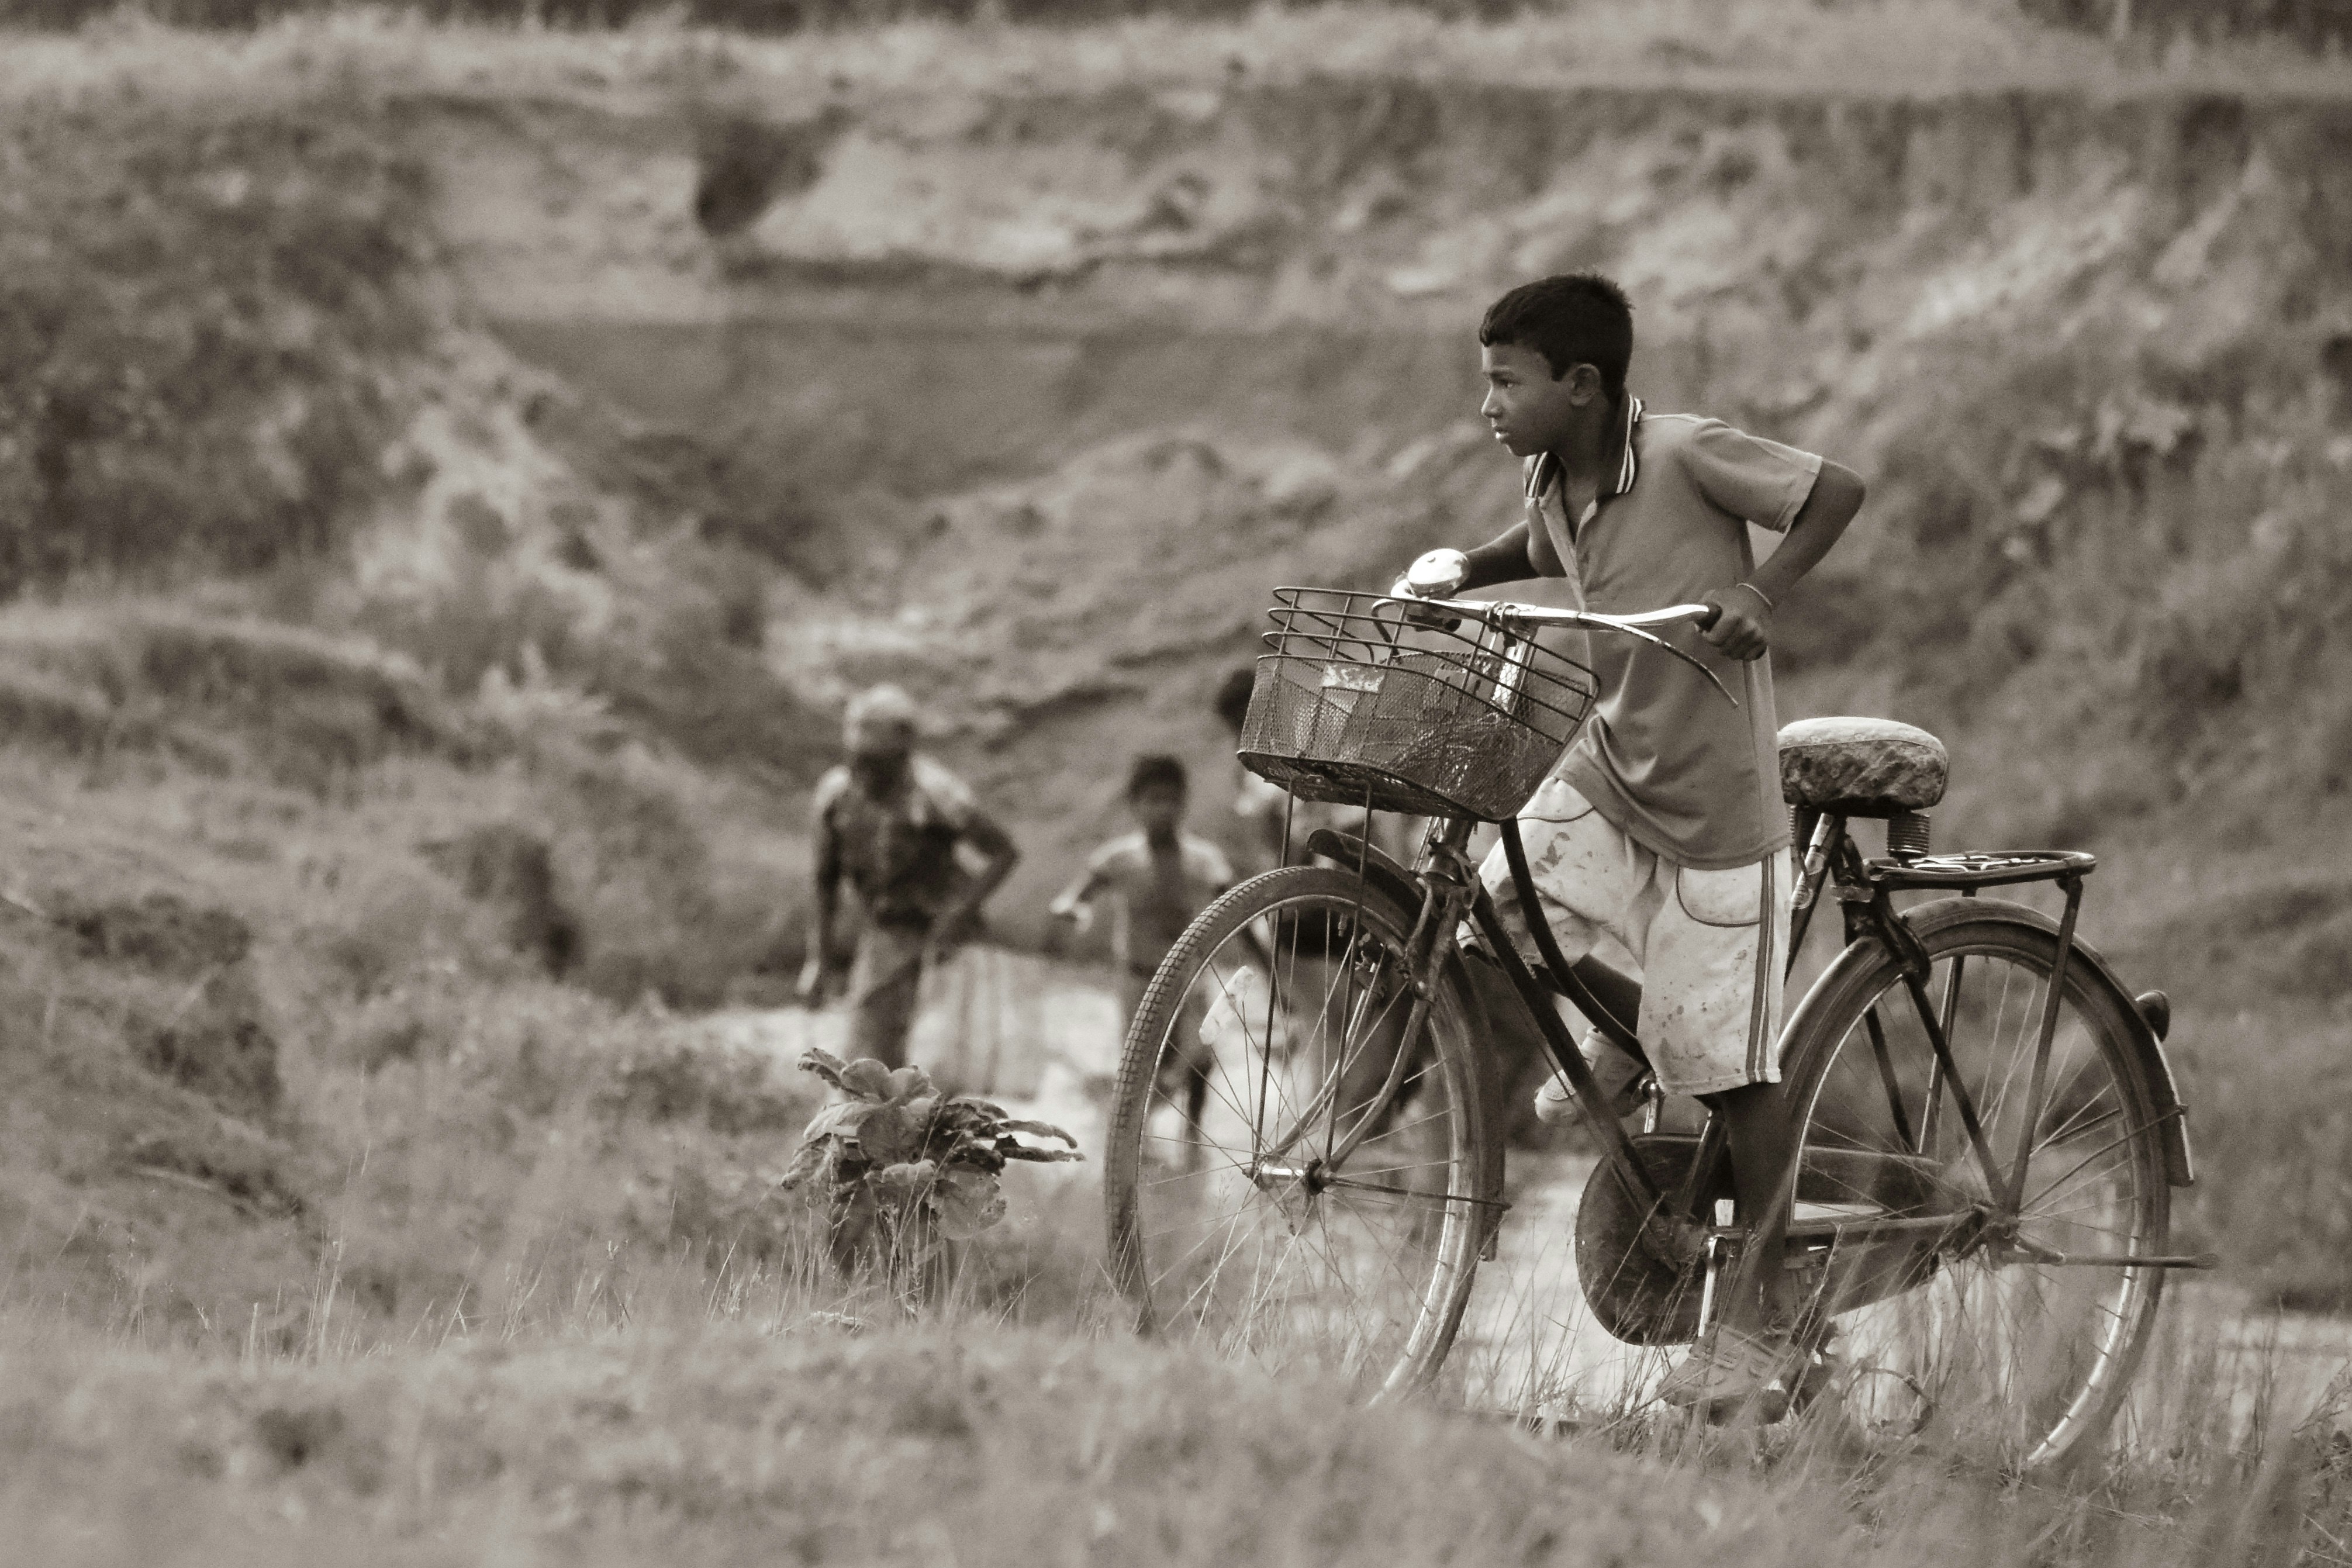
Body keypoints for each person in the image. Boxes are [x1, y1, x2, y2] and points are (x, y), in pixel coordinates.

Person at [1393, 273, 1866, 1417]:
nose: (1489, 405)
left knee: (1735, 1075)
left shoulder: (1693, 455)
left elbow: (1834, 491)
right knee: (1488, 904)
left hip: (1716, 820)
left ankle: (1762, 1321)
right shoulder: (1551, 478)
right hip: (1609, 775)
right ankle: (1638, 1040)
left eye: (1506, 383)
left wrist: (1759, 591)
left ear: (1583, 384)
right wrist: (1465, 569)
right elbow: (1544, 541)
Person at [799, 685, 1020, 1070]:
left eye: (877, 762)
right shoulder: (836, 796)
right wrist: (818, 961)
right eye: (859, 759)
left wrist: (960, 913)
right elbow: (824, 882)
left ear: (902, 754)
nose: (866, 772)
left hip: (947, 937)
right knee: (869, 1062)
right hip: (886, 935)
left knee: (943, 1061)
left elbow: (1002, 852)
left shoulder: (937, 793)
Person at [1050, 755, 1235, 1137]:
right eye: (1152, 799)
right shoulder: (1120, 859)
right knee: (1142, 1062)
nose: (1162, 810)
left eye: (1170, 799)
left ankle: (1193, 1139)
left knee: (1199, 1057)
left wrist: (1269, 964)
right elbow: (1077, 895)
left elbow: (1237, 907)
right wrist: (1069, 912)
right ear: (1135, 804)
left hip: (1188, 978)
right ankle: (1137, 1141)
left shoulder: (1203, 860)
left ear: (1183, 803)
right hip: (1140, 979)